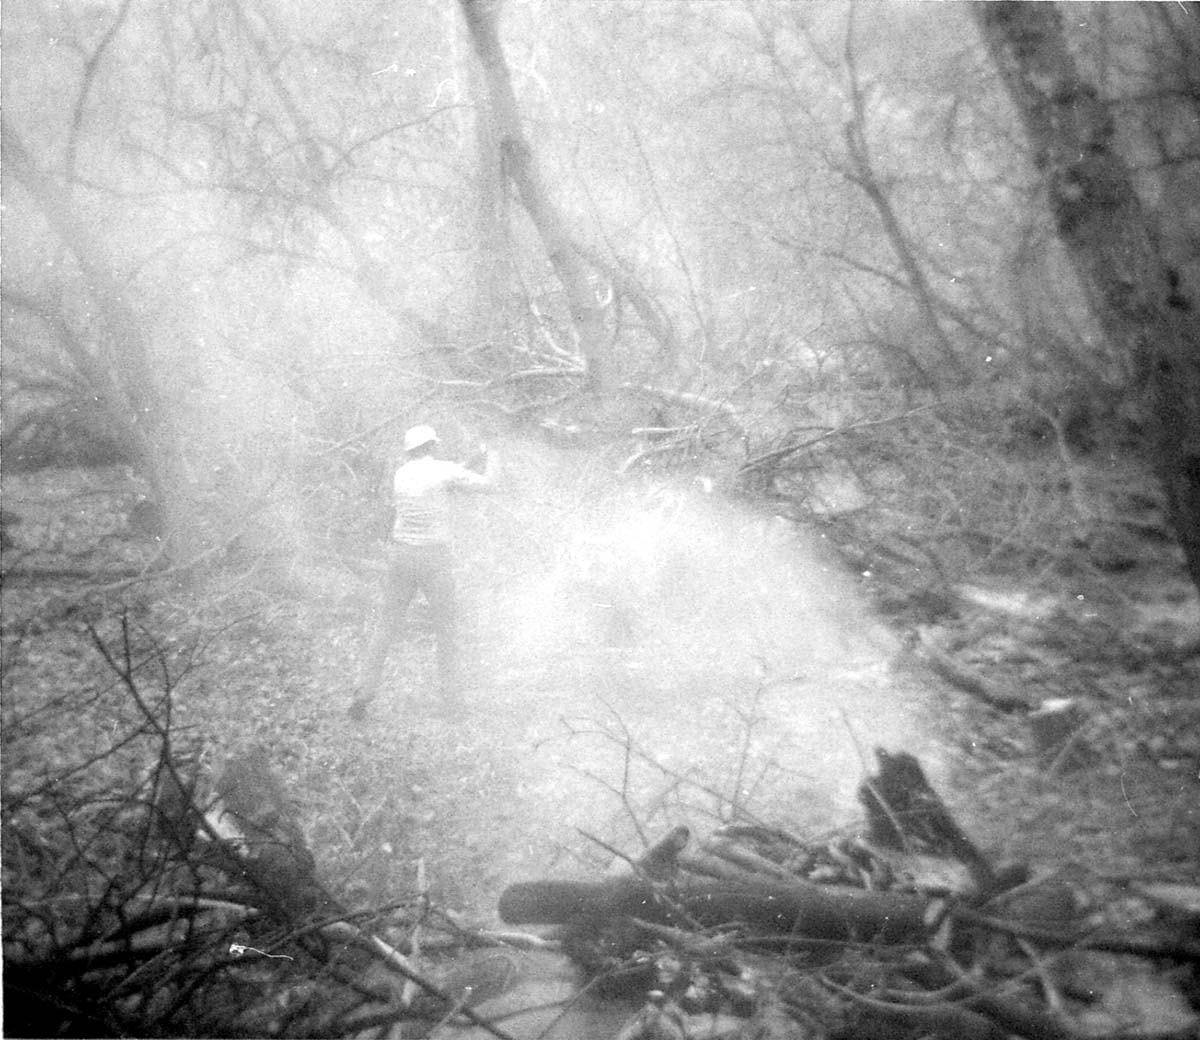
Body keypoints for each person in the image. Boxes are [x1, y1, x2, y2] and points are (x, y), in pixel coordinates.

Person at [350, 425, 498, 720]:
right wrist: (492, 455)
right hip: (435, 561)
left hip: (402, 557)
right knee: (446, 632)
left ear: (410, 450)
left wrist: (468, 461)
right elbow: (488, 484)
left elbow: (441, 478)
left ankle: (362, 694)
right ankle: (453, 705)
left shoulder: (402, 474)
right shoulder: (443, 470)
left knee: (385, 627)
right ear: (433, 446)